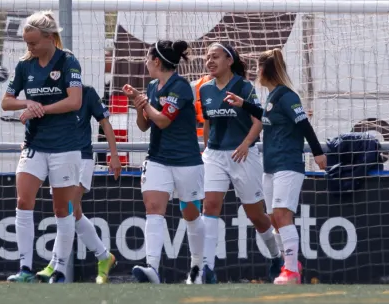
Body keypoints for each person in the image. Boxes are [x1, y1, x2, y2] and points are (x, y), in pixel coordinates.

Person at [225, 48, 327, 285]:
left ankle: (291, 271)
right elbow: (267, 116)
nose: (256, 72)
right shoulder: (273, 96)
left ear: (266, 70)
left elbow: (304, 125)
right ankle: (291, 264)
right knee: (274, 218)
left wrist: (318, 153)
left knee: (282, 215)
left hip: (287, 165)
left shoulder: (288, 96)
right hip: (270, 166)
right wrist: (244, 105)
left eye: (258, 68)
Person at [0, 12, 84, 283]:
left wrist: (42, 109)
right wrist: (27, 103)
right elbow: (6, 102)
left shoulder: (68, 61)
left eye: (34, 43)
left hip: (65, 146)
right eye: (27, 43)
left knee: (62, 209)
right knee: (23, 201)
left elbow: (74, 102)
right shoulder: (25, 65)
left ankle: (58, 270)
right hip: (34, 144)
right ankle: (25, 269)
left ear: (49, 38)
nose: (30, 47)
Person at [199, 43, 283, 283]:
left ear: (229, 60)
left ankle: (276, 256)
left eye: (215, 57)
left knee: (255, 215)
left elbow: (259, 120)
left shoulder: (244, 87)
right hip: (214, 155)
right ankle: (206, 268)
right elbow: (207, 123)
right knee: (210, 206)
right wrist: (207, 148)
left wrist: (246, 144)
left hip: (243, 155)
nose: (210, 61)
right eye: (207, 57)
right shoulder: (204, 89)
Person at [123, 40, 205, 284]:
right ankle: (152, 268)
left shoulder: (180, 86)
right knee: (153, 208)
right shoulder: (151, 86)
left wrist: (145, 102)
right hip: (158, 158)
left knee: (191, 214)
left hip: (186, 160)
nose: (146, 63)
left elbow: (163, 120)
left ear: (156, 61)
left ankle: (198, 268)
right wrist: (139, 105)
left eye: (147, 59)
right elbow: (145, 125)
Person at [36, 85, 123, 284]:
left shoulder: (87, 92)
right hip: (59, 157)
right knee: (74, 214)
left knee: (66, 211)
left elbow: (105, 123)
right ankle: (104, 256)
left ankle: (55, 267)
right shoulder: (52, 90)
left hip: (82, 158)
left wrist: (114, 155)